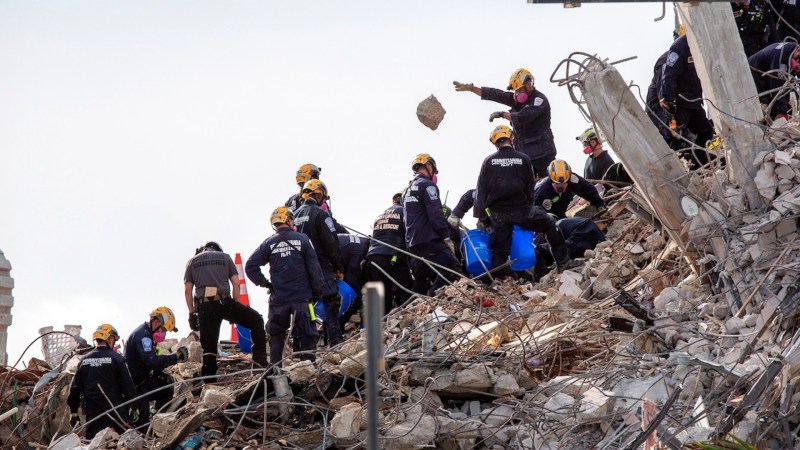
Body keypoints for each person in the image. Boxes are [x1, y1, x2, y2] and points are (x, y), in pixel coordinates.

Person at [474, 126, 579, 277]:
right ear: (511, 137)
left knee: (499, 251)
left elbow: (481, 191)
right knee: (549, 225)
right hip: (521, 210)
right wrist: (529, 210)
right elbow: (530, 188)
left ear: (495, 142)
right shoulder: (523, 159)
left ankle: (501, 284)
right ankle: (563, 263)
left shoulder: (488, 161)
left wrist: (482, 218)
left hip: (499, 214)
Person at [245, 207, 323, 366]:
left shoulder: (268, 243)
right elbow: (315, 269)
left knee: (276, 335)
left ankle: (275, 370)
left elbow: (250, 266)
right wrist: (317, 291)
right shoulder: (303, 239)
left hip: (279, 299)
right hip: (302, 298)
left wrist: (265, 283)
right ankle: (307, 368)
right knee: (308, 333)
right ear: (288, 220)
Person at [184, 241, 267, 378]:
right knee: (256, 321)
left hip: (204, 306)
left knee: (209, 348)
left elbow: (188, 290)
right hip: (224, 301)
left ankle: (209, 381)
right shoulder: (225, 257)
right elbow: (236, 284)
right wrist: (234, 307)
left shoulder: (192, 261)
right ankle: (259, 365)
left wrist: (191, 314)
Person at [454, 68, 556, 178]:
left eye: (520, 90)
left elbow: (522, 117)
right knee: (526, 188)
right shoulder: (518, 100)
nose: (517, 94)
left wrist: (502, 114)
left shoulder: (539, 100)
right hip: (525, 154)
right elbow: (497, 95)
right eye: (516, 91)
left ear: (529, 84)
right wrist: (472, 89)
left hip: (543, 154)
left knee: (547, 185)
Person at [293, 179, 345, 346]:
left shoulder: (293, 217)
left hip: (299, 268)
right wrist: (338, 267)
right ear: (319, 194)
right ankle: (334, 341)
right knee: (331, 299)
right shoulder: (321, 214)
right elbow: (332, 244)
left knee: (304, 305)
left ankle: (298, 345)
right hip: (320, 265)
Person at [403, 153, 460, 295]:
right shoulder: (428, 185)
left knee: (423, 276)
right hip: (428, 239)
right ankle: (434, 297)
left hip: (413, 242)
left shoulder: (407, 190)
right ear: (428, 166)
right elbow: (436, 215)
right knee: (452, 267)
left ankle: (421, 305)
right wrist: (446, 237)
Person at [67, 324, 137, 439]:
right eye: (114, 339)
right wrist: (135, 405)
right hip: (117, 413)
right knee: (127, 442)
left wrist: (73, 412)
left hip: (94, 415)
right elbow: (128, 387)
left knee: (94, 444)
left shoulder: (84, 360)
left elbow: (74, 389)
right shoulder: (117, 359)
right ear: (109, 338)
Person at [124, 307, 187, 428]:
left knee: (166, 384)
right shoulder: (143, 336)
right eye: (163, 329)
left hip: (143, 380)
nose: (164, 334)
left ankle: (159, 419)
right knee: (142, 425)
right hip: (135, 387)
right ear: (156, 322)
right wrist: (175, 357)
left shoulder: (147, 334)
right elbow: (151, 361)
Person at [658, 34, 715, 151]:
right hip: (680, 104)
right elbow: (669, 76)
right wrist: (669, 103)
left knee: (706, 131)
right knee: (675, 138)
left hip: (694, 102)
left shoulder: (705, 44)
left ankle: (697, 164)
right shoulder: (680, 47)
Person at [365, 193, 413, 313]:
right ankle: (407, 317)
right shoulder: (404, 211)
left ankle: (384, 325)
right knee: (406, 289)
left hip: (373, 257)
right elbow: (409, 234)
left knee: (384, 294)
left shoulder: (380, 214)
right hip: (393, 255)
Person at [532, 217, 606, 281]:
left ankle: (539, 278)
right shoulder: (564, 222)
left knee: (540, 249)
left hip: (582, 239)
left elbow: (559, 246)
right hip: (593, 240)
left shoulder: (555, 228)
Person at [285, 163, 348, 233]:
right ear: (307, 178)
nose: (317, 180)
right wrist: (347, 235)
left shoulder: (289, 202)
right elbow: (330, 223)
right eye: (315, 176)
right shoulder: (318, 199)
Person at [534, 159, 607, 220]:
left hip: (561, 214)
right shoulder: (541, 191)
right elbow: (535, 215)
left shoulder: (572, 178)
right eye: (557, 184)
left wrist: (599, 204)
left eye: (564, 184)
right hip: (547, 218)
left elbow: (588, 190)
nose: (561, 187)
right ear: (551, 180)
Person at [749, 41, 800, 120]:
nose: (797, 66)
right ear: (798, 50)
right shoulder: (780, 58)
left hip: (766, 72)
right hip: (754, 73)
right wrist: (782, 112)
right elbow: (777, 87)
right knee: (765, 104)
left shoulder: (791, 50)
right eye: (798, 63)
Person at [337, 233, 369, 330]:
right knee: (354, 292)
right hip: (354, 252)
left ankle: (342, 323)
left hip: (355, 255)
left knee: (353, 294)